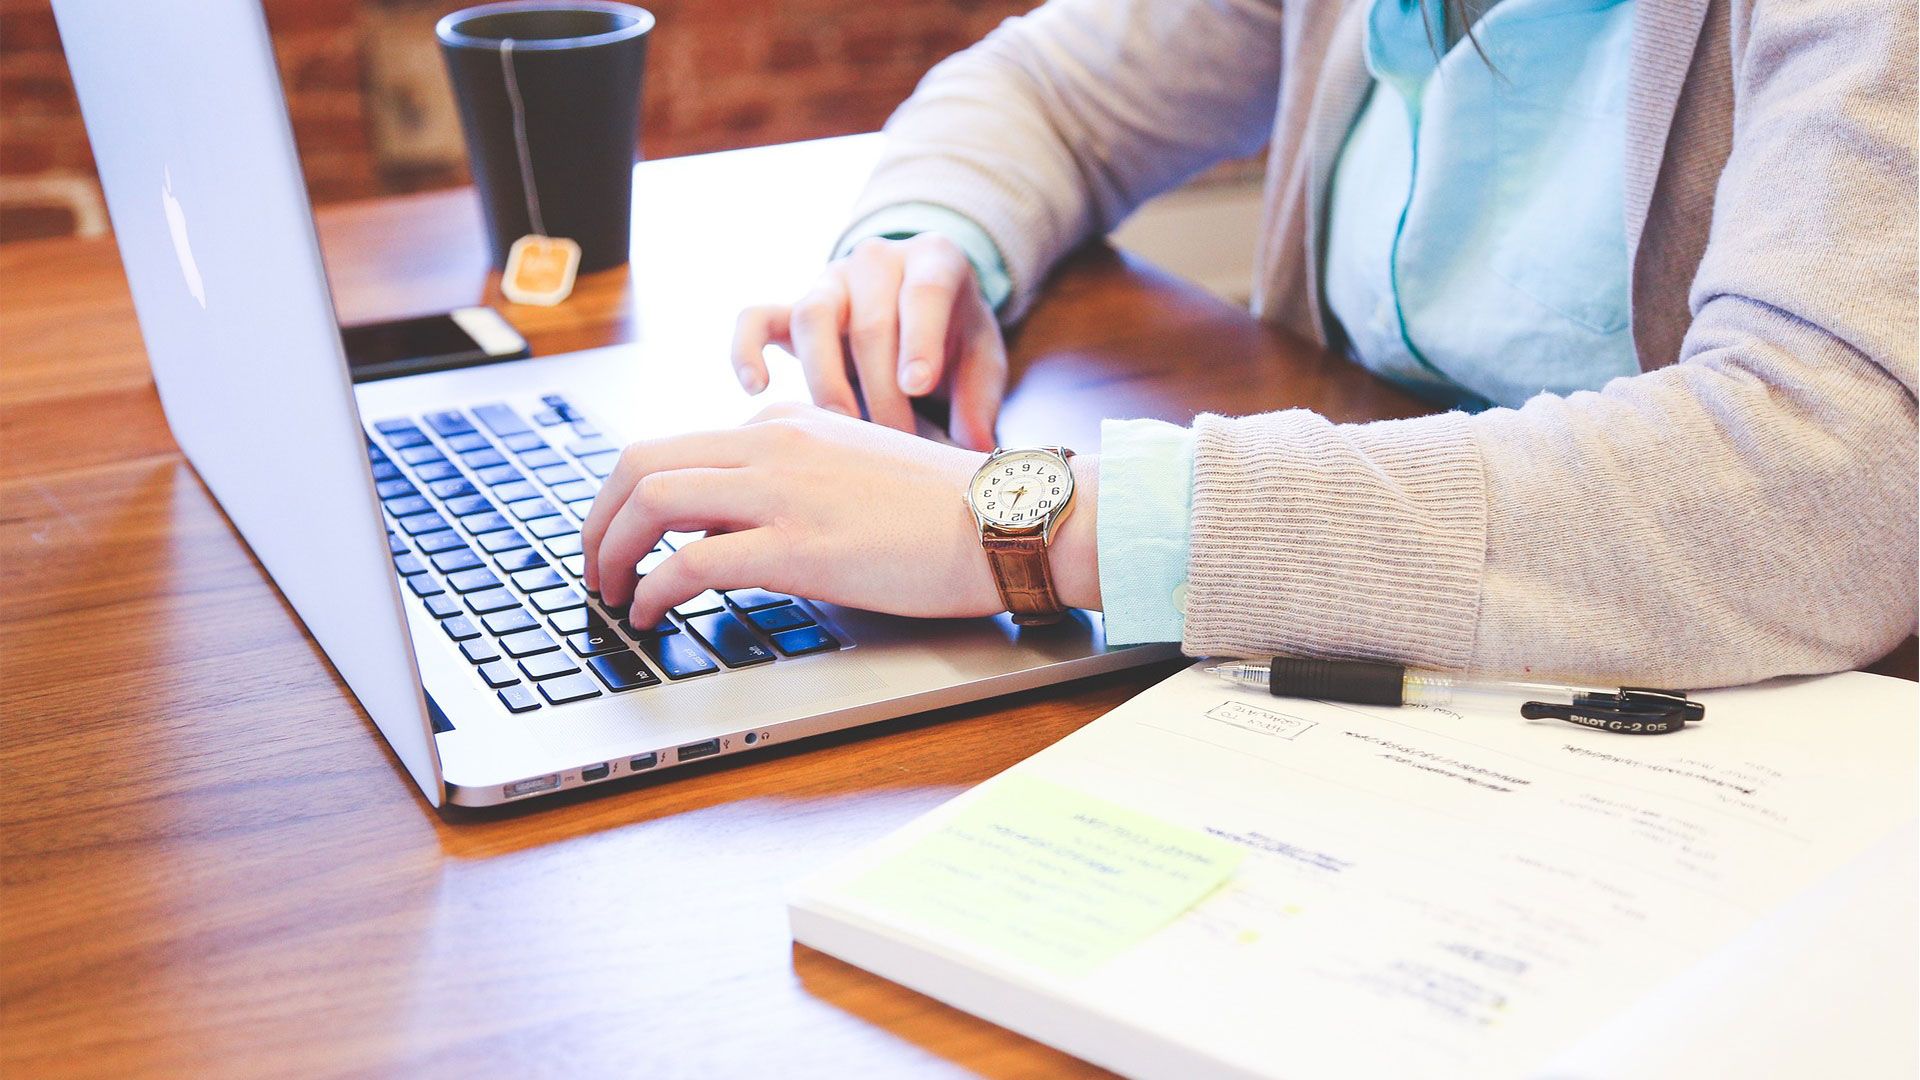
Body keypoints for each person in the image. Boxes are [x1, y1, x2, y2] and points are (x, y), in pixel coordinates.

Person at [582, 0, 1917, 686]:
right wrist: (924, 246)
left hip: (1741, 738)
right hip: (1377, 683)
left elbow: (1828, 478)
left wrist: (1026, 525)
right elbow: (1048, 88)